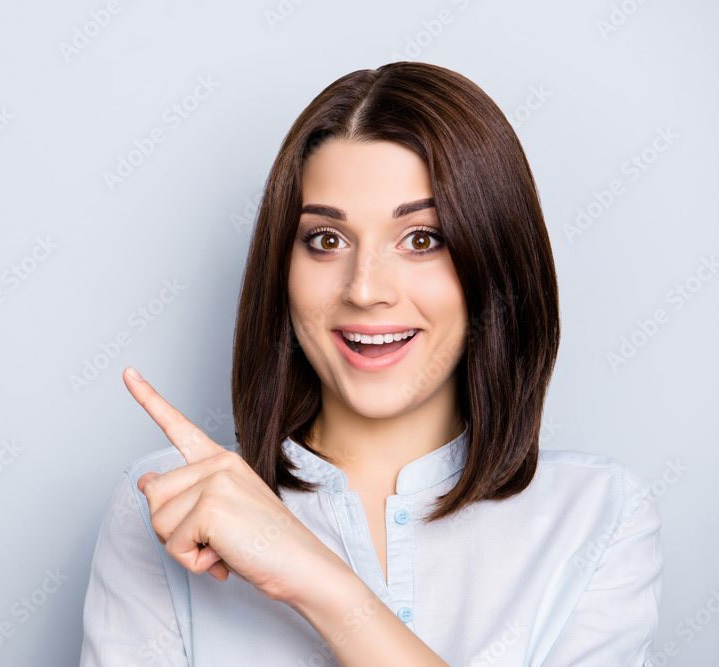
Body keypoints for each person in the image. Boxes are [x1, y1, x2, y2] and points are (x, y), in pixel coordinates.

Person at [78, 61, 663, 666]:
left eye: (422, 239)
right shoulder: (168, 505)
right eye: (327, 240)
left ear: (496, 260)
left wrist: (314, 580)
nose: (364, 289)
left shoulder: (599, 516)